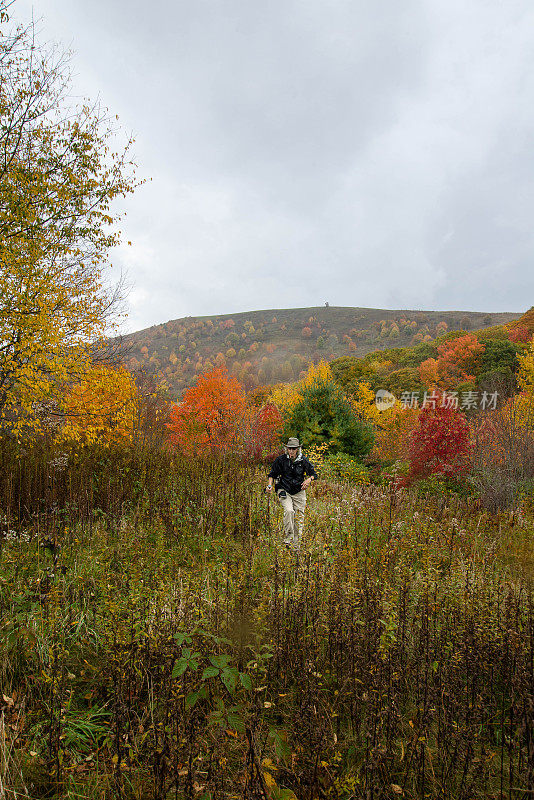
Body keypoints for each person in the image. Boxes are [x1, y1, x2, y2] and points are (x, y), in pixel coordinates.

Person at [265, 437, 317, 551]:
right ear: (286, 449)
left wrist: (309, 480)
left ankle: (296, 545)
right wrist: (269, 486)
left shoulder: (303, 460)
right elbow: (272, 474)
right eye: (289, 448)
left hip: (299, 491)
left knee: (298, 517)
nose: (291, 451)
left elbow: (314, 474)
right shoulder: (281, 460)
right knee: (289, 511)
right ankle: (288, 540)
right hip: (284, 489)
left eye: (294, 449)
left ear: (298, 449)